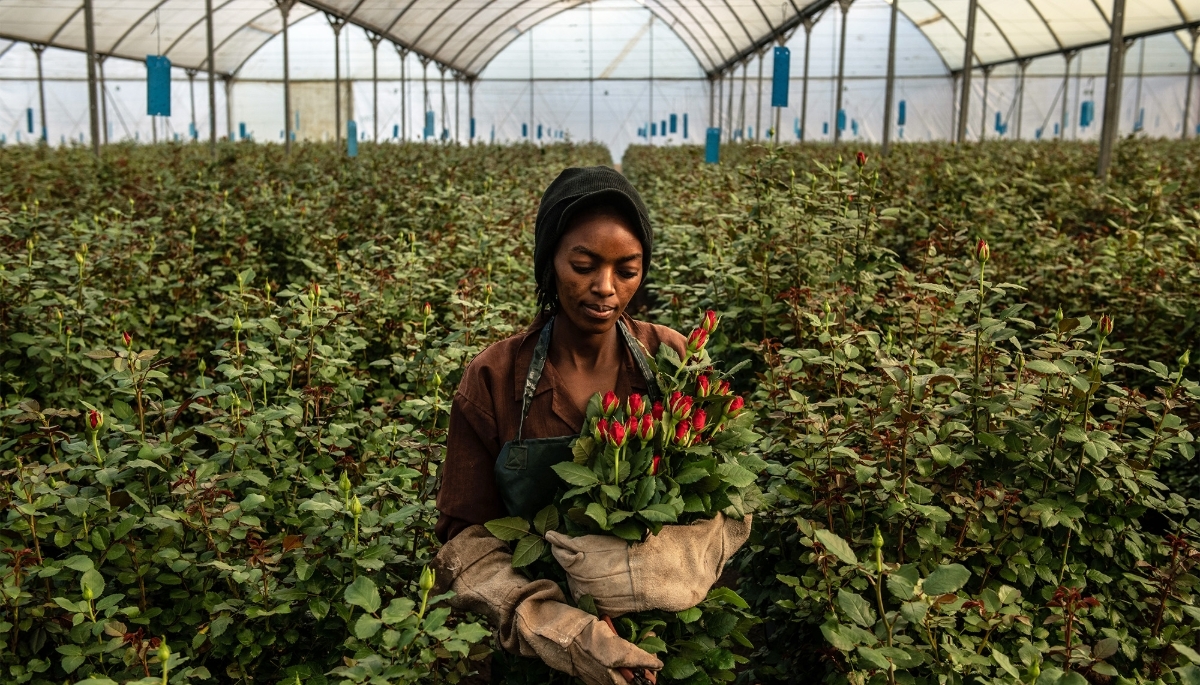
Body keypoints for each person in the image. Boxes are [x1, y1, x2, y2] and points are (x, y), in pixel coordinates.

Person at [431, 166, 751, 685]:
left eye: (627, 270)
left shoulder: (673, 360)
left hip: (665, 646)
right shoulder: (492, 378)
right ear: (550, 263)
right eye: (583, 265)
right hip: (532, 659)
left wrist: (655, 569)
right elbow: (463, 540)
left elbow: (728, 504)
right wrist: (560, 627)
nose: (605, 288)